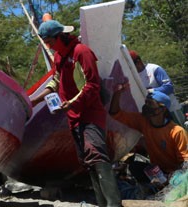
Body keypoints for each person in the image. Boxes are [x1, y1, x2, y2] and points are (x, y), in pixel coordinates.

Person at [30, 20, 122, 207]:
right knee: (88, 162)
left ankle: (114, 204)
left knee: (97, 155)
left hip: (90, 114)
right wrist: (34, 100)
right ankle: (102, 204)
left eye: (48, 42)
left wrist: (71, 103)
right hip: (73, 116)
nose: (48, 46)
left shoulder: (81, 52)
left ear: (59, 37)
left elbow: (92, 85)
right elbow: (56, 81)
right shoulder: (59, 57)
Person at [109, 82, 188, 193]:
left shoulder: (177, 132)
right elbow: (114, 113)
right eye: (146, 103)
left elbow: (185, 162)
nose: (147, 107)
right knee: (135, 167)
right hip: (157, 171)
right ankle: (155, 187)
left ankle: (165, 187)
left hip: (173, 174)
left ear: (163, 109)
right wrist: (117, 93)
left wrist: (173, 178)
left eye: (151, 104)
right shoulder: (143, 122)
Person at [129, 50, 185, 126]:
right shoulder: (135, 77)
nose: (132, 68)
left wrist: (150, 91)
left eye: (132, 65)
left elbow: (169, 87)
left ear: (138, 61)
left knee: (181, 132)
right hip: (156, 114)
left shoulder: (154, 69)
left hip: (171, 109)